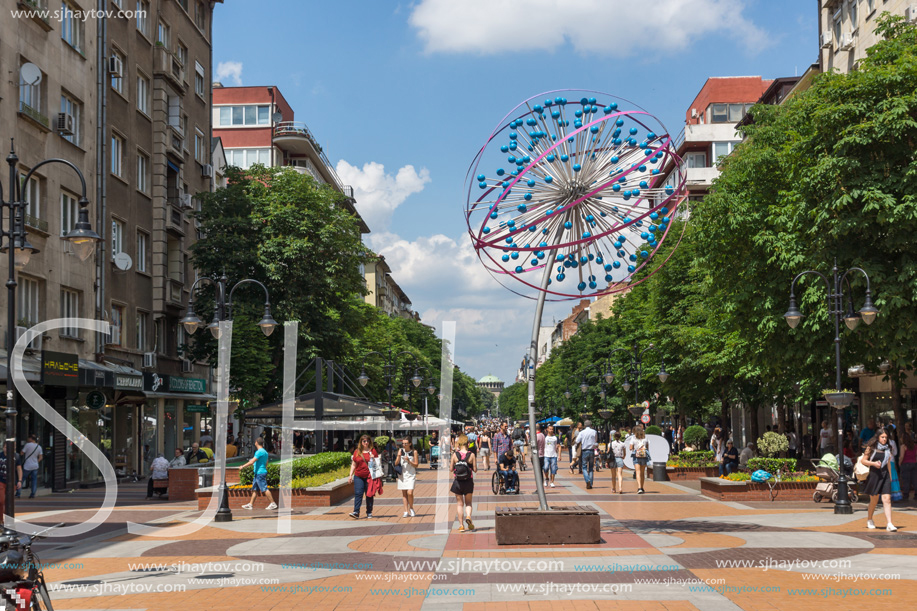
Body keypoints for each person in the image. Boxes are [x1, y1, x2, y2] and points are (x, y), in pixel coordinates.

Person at [861, 429, 897, 531]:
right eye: (882, 437)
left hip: (885, 474)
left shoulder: (888, 448)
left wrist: (890, 477)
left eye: (886, 437)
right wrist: (874, 464)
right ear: (878, 437)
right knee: (874, 500)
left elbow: (888, 463)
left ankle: (889, 523)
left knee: (887, 499)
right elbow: (864, 461)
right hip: (874, 475)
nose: (884, 439)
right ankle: (869, 519)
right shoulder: (871, 447)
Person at [240, 437, 277, 511]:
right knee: (255, 489)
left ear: (256, 442)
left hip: (259, 473)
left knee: (264, 489)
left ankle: (273, 503)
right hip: (259, 472)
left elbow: (251, 462)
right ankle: (250, 504)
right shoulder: (265, 452)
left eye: (255, 441)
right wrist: (264, 468)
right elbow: (266, 462)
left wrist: (242, 466)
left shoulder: (259, 452)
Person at [348, 435, 379, 519]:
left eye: (367, 441)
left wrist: (374, 459)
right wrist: (350, 475)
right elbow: (354, 464)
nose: (366, 443)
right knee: (358, 493)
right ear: (361, 442)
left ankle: (369, 511)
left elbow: (378, 464)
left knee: (369, 494)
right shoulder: (357, 452)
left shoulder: (373, 451)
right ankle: (356, 512)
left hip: (369, 476)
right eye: (364, 441)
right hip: (358, 476)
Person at [450, 435, 476, 532]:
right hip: (468, 481)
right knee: (468, 502)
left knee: (460, 504)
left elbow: (451, 469)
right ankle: (468, 516)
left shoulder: (455, 455)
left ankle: (461, 525)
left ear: (459, 444)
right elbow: (475, 469)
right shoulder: (471, 455)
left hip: (458, 482)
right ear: (468, 444)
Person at [397, 437, 419, 517]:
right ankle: (406, 511)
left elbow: (416, 464)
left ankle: (411, 508)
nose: (404, 445)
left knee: (410, 493)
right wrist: (399, 456)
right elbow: (396, 463)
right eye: (403, 443)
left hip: (411, 475)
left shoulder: (414, 452)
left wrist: (409, 461)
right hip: (402, 475)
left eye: (406, 443)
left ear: (410, 444)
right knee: (404, 494)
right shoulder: (400, 451)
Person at [0, 444, 22, 516]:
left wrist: (20, 480)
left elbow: (19, 469)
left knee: (9, 502)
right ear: (3, 448)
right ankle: (1, 519)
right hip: (1, 480)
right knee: (1, 500)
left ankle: (8, 518)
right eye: (6, 447)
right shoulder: (0, 455)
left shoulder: (16, 456)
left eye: (9, 447)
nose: (7, 449)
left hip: (12, 482)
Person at [576, 420, 598, 490]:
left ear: (584, 425)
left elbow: (577, 441)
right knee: (591, 468)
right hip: (591, 451)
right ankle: (590, 484)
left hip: (584, 450)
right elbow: (595, 441)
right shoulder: (594, 432)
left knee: (584, 467)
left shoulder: (582, 432)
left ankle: (587, 480)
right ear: (591, 425)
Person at [19, 435, 42, 499]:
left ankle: (18, 493)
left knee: (22, 479)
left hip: (27, 466)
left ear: (31, 439)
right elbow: (41, 457)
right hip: (35, 466)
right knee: (34, 480)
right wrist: (36, 461)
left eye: (28, 438)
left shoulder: (27, 445)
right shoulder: (39, 447)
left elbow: (21, 453)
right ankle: (32, 494)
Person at [629, 425, 649, 494]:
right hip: (644, 456)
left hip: (636, 456)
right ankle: (642, 487)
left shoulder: (633, 438)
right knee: (642, 473)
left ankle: (639, 487)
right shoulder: (645, 438)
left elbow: (630, 448)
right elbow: (647, 447)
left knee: (638, 472)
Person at [899, 432, 917, 501]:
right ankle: (916, 495)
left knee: (906, 480)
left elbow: (902, 456)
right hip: (914, 463)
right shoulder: (914, 446)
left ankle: (906, 495)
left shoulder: (903, 446)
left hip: (905, 464)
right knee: (915, 480)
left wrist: (899, 463)